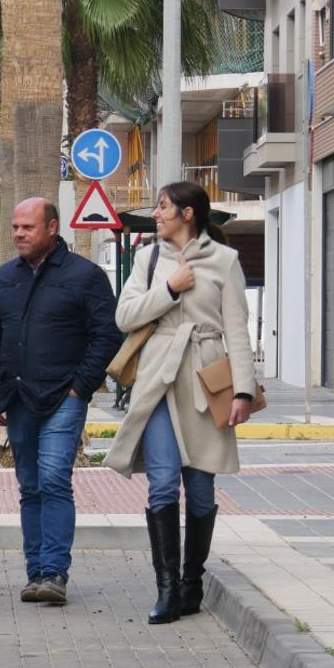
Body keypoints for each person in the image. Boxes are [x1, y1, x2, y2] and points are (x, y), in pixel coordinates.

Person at [105, 182, 256, 624]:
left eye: (163, 207)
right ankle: (167, 589)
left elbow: (238, 331)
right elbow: (124, 316)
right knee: (163, 484)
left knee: (203, 492)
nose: (156, 214)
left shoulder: (225, 261)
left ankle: (193, 581)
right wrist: (169, 289)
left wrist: (242, 391)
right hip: (157, 378)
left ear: (188, 214)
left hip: (205, 381)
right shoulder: (149, 259)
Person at [0, 198, 121, 604]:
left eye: (27, 227)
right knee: (29, 486)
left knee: (54, 479)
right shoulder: (6, 277)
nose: (18, 234)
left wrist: (81, 387)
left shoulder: (86, 276)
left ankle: (54, 573)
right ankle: (35, 573)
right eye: (15, 227)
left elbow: (107, 336)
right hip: (18, 397)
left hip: (64, 396)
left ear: (52, 228)